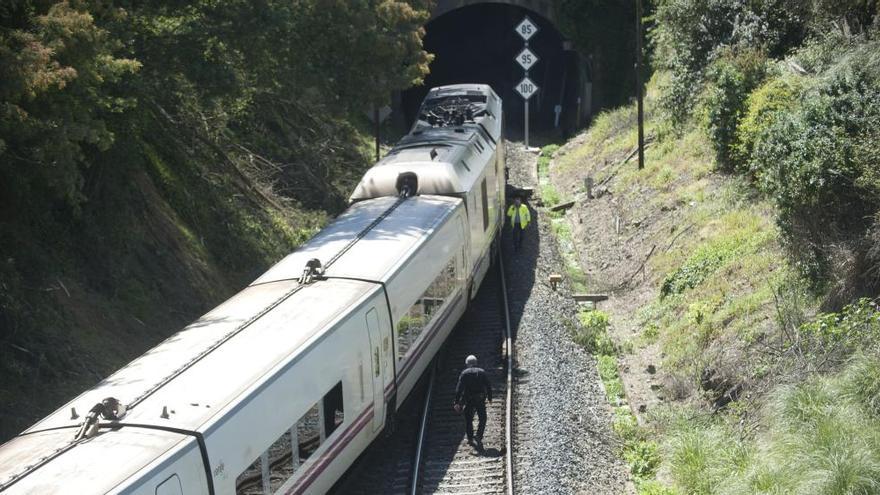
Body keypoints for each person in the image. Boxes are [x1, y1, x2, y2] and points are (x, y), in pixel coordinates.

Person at [454, 354, 492, 451]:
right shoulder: (482, 372)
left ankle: (470, 438)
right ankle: (479, 435)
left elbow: (459, 389)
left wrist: (457, 402)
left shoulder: (464, 373)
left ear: (467, 364)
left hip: (469, 399)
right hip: (480, 398)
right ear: (476, 363)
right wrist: (490, 397)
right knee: (483, 418)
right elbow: (488, 385)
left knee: (468, 419)